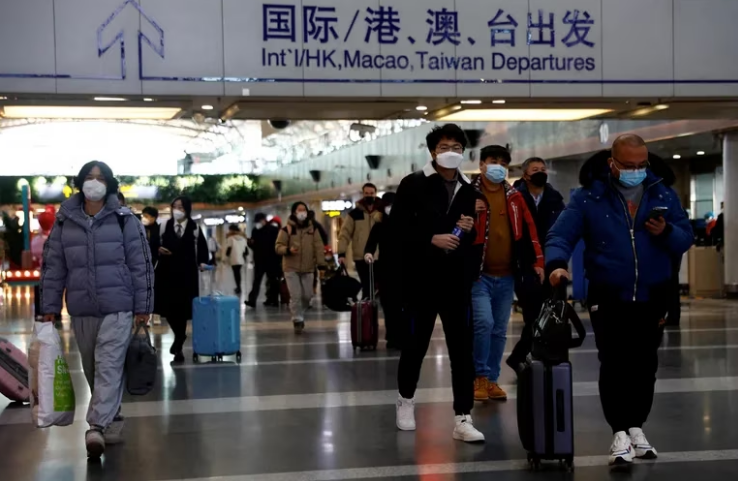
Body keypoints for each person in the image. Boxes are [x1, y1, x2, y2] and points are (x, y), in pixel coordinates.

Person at [546, 134, 693, 465]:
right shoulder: (588, 199)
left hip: (652, 294)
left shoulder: (663, 194)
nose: (636, 171)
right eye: (628, 166)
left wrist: (666, 231)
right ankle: (619, 434)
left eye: (642, 165)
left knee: (644, 365)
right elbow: (560, 234)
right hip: (608, 294)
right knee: (614, 362)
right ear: (612, 163)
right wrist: (556, 265)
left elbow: (685, 239)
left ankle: (636, 427)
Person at [40, 161, 154, 458]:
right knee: (93, 368)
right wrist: (49, 307)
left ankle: (95, 427)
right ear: (80, 183)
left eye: (100, 178)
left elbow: (140, 266)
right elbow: (54, 267)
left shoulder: (124, 220)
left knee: (109, 364)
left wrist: (143, 306)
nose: (94, 183)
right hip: (81, 308)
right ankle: (112, 417)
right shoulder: (65, 221)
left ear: (110, 184)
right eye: (89, 178)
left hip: (119, 306)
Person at [391, 124, 484, 443]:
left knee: (462, 351)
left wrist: (466, 230)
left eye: (458, 147)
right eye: (446, 147)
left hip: (456, 282)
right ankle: (405, 401)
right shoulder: (413, 184)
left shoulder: (469, 188)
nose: (452, 152)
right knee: (415, 346)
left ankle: (463, 416)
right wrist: (430, 238)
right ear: (433, 151)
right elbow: (397, 233)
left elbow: (467, 237)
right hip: (421, 281)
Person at [470, 146, 544, 402]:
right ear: (481, 165)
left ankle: (491, 379)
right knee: (484, 323)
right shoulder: (469, 194)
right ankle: (478, 376)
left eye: (503, 162)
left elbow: (530, 230)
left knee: (500, 329)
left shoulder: (514, 196)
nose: (498, 166)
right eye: (493, 161)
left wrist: (538, 261)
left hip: (507, 274)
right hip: (478, 275)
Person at [507, 157, 565, 372]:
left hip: (551, 262)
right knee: (533, 314)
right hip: (526, 264)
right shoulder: (514, 198)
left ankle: (526, 356)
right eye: (535, 169)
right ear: (525, 175)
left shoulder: (554, 198)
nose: (540, 172)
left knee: (546, 314)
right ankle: (521, 355)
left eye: (543, 169)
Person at [156, 196, 209, 362]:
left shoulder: (194, 228)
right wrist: (158, 249)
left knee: (183, 309)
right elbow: (152, 244)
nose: (177, 210)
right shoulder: (164, 226)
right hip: (167, 274)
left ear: (187, 209)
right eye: (175, 206)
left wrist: (202, 263)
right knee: (169, 310)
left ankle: (178, 342)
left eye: (181, 207)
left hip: (187, 274)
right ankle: (180, 336)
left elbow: (202, 249)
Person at [275, 202, 326, 333]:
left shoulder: (313, 229)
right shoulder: (286, 230)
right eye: (299, 210)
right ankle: (297, 319)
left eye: (304, 210)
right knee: (296, 295)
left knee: (308, 296)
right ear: (294, 212)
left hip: (308, 267)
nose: (302, 212)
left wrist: (321, 264)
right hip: (291, 268)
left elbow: (319, 247)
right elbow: (278, 247)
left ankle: (299, 312)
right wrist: (288, 249)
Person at [364, 192, 403, 349]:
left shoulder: (407, 222)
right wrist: (368, 253)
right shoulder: (379, 224)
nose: (390, 208)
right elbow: (371, 243)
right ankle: (392, 336)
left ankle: (401, 335)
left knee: (402, 304)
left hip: (404, 270)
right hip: (386, 269)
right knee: (389, 305)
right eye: (387, 205)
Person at [338, 183, 383, 298]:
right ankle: (367, 312)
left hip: (381, 256)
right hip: (361, 256)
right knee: (367, 287)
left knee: (381, 287)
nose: (369, 195)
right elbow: (344, 234)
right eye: (366, 193)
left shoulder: (381, 212)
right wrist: (341, 253)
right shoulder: (354, 214)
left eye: (371, 193)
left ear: (375, 194)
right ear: (363, 194)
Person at [246, 213, 281, 307]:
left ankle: (274, 300)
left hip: (272, 260)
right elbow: (254, 245)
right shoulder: (255, 230)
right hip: (259, 260)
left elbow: (278, 245)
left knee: (273, 281)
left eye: (258, 221)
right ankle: (252, 300)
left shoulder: (273, 230)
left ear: (264, 220)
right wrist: (250, 244)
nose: (257, 224)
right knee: (256, 281)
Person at [226, 224, 248, 295]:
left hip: (234, 258)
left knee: (236, 274)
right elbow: (246, 251)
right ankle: (239, 287)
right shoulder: (243, 238)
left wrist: (226, 257)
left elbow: (228, 250)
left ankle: (238, 288)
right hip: (241, 259)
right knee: (238, 273)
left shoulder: (230, 238)